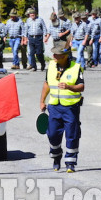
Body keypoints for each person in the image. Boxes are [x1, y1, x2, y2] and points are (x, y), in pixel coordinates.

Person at [39, 41, 84, 173]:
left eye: (57, 54)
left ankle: (70, 162)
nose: (54, 57)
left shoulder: (76, 67)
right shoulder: (51, 66)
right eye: (53, 54)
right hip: (54, 106)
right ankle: (56, 155)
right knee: (52, 134)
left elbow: (82, 86)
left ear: (65, 55)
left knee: (72, 135)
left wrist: (69, 87)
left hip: (71, 108)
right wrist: (42, 101)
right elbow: (47, 84)